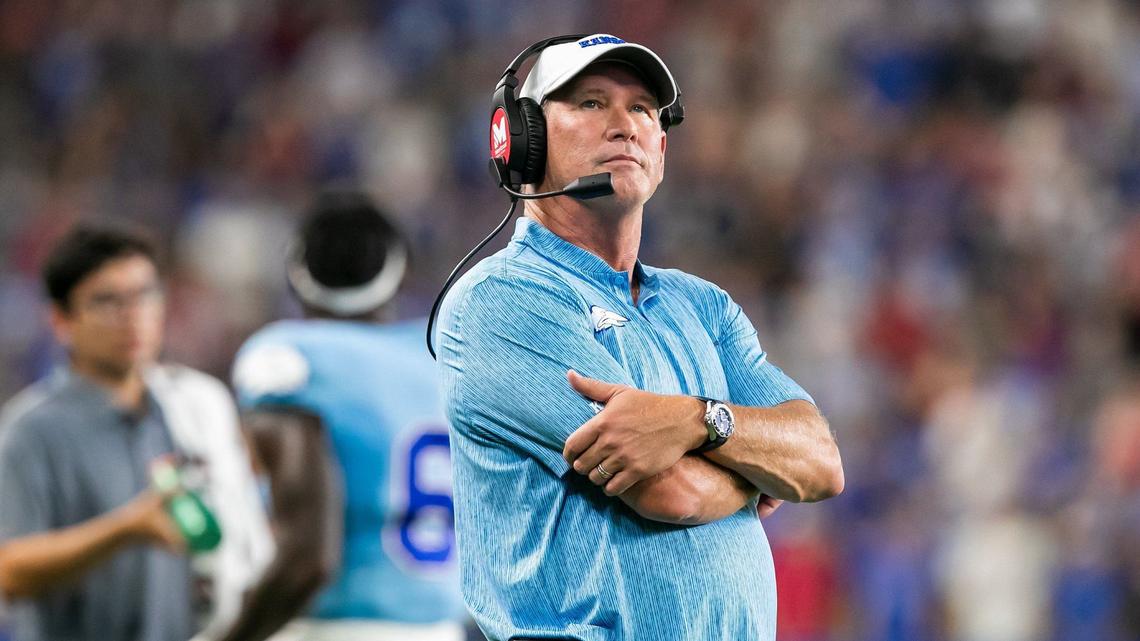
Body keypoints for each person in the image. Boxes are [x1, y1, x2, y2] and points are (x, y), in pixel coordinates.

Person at [434, 34, 844, 640]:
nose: (625, 125)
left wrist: (697, 422)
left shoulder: (702, 305)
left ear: (661, 148)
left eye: (643, 109)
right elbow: (670, 493)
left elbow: (820, 462)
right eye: (591, 103)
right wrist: (757, 467)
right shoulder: (499, 300)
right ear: (521, 139)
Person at [0, 225, 273, 641]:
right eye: (107, 301)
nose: (133, 316)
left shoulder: (188, 410)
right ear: (61, 319)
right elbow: (9, 570)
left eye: (145, 295)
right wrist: (125, 529)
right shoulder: (31, 431)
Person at [227, 192, 467, 641]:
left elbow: (307, 559)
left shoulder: (288, 356)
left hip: (329, 624)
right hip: (439, 626)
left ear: (295, 269)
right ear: (401, 270)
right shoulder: (444, 353)